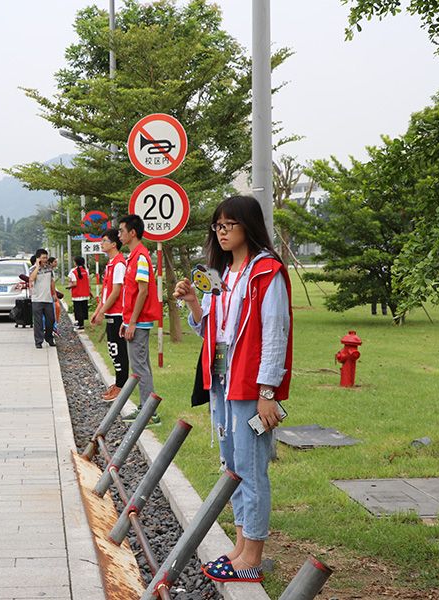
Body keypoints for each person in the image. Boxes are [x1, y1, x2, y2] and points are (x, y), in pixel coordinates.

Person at [174, 195, 293, 584]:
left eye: (229, 225)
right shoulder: (221, 274)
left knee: (251, 468)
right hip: (222, 378)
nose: (222, 232)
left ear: (249, 226)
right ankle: (241, 546)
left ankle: (252, 556)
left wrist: (268, 391)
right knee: (232, 465)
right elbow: (209, 329)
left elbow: (275, 333)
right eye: (217, 226)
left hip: (249, 382)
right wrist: (194, 302)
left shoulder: (266, 272)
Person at [118, 214, 161, 425]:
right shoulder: (134, 257)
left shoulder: (141, 257)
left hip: (140, 321)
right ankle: (147, 408)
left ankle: (148, 412)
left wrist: (132, 322)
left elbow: (143, 292)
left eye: (121, 231)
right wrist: (126, 321)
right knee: (142, 365)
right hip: (134, 320)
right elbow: (133, 292)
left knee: (140, 367)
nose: (119, 235)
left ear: (132, 233)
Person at [90, 228, 128, 400]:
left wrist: (102, 312)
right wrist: (98, 311)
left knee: (119, 350)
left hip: (118, 314)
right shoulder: (111, 264)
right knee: (113, 350)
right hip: (110, 313)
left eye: (104, 241)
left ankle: (122, 386)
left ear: (113, 244)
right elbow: (106, 291)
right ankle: (118, 383)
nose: (101, 243)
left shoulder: (119, 263)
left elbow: (116, 292)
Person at [29, 248, 57, 349]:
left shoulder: (49, 268)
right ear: (38, 258)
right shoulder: (32, 269)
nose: (45, 259)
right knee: (38, 322)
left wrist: (54, 294)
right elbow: (32, 279)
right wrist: (37, 266)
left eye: (46, 257)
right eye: (43, 258)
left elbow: (52, 281)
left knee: (51, 320)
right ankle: (38, 341)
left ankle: (48, 337)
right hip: (37, 299)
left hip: (48, 298)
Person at [67, 256, 91, 330]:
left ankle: (80, 325)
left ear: (75, 263)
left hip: (77, 293)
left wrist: (69, 287)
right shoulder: (86, 270)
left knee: (78, 310)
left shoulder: (73, 271)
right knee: (83, 309)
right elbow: (88, 282)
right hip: (85, 293)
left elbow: (74, 283)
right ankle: (81, 323)